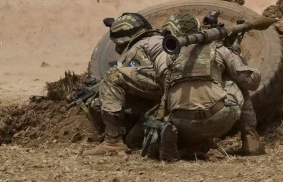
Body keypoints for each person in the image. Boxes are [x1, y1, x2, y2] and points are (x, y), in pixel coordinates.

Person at [155, 12, 261, 162]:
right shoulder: (217, 49)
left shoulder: (164, 57)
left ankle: (187, 144)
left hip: (181, 123)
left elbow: (163, 85)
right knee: (234, 79)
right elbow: (251, 82)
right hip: (218, 118)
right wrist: (234, 53)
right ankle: (251, 139)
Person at [83, 12, 167, 156]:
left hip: (165, 84)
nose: (117, 49)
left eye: (118, 44)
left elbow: (141, 79)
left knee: (113, 76)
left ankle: (112, 142)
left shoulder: (138, 48)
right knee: (133, 139)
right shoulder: (159, 40)